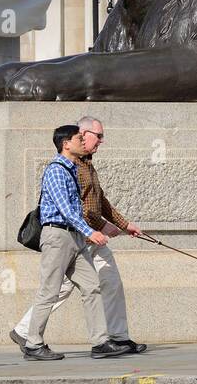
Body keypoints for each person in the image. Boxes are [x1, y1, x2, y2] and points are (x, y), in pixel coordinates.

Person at [11, 117, 148, 354]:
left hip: (82, 235)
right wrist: (97, 228)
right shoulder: (62, 168)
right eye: (96, 136)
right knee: (55, 289)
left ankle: (109, 339)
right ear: (78, 137)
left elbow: (98, 200)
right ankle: (29, 337)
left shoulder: (81, 165)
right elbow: (71, 208)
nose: (99, 142)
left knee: (99, 285)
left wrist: (124, 225)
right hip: (74, 235)